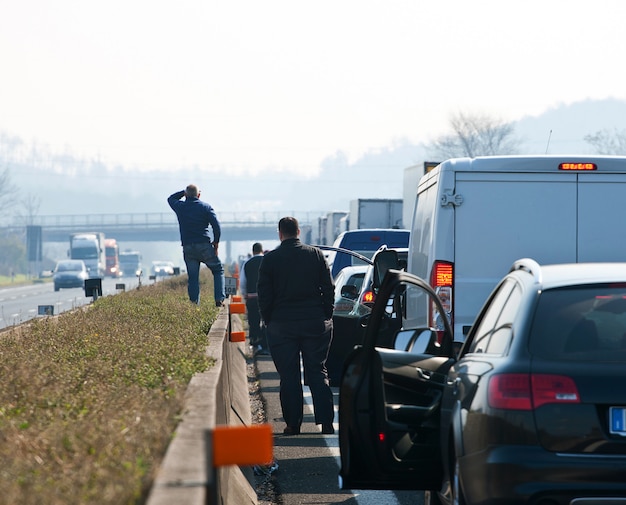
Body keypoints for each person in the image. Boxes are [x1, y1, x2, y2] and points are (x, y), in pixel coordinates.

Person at [257, 216, 335, 435]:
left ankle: (293, 424)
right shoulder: (315, 255)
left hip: (282, 326)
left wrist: (269, 320)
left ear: (280, 233)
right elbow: (328, 289)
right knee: (318, 371)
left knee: (289, 376)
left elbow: (264, 294)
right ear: (298, 231)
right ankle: (326, 422)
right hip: (314, 323)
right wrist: (325, 315)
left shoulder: (271, 259)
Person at [167, 184, 225, 306]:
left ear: (186, 195)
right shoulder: (206, 207)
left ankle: (194, 305)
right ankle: (219, 299)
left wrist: (183, 192)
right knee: (218, 270)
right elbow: (216, 227)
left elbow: (170, 198)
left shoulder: (180, 207)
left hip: (188, 247)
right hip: (204, 245)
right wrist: (216, 243)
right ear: (199, 195)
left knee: (193, 277)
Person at [240, 242, 269, 355]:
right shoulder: (268, 260)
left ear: (253, 251)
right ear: (262, 250)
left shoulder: (247, 263)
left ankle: (257, 345)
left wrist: (244, 294)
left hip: (252, 298)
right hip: (267, 298)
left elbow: (242, 282)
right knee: (266, 321)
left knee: (254, 322)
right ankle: (266, 345)